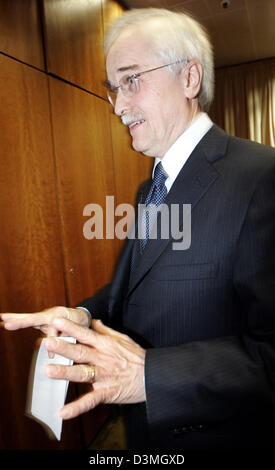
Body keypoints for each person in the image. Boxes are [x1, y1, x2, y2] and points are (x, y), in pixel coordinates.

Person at [1, 8, 275, 450]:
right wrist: (83, 315)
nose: (119, 106)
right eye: (113, 89)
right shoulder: (150, 187)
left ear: (189, 79)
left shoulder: (263, 177)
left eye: (132, 81)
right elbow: (128, 292)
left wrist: (149, 376)